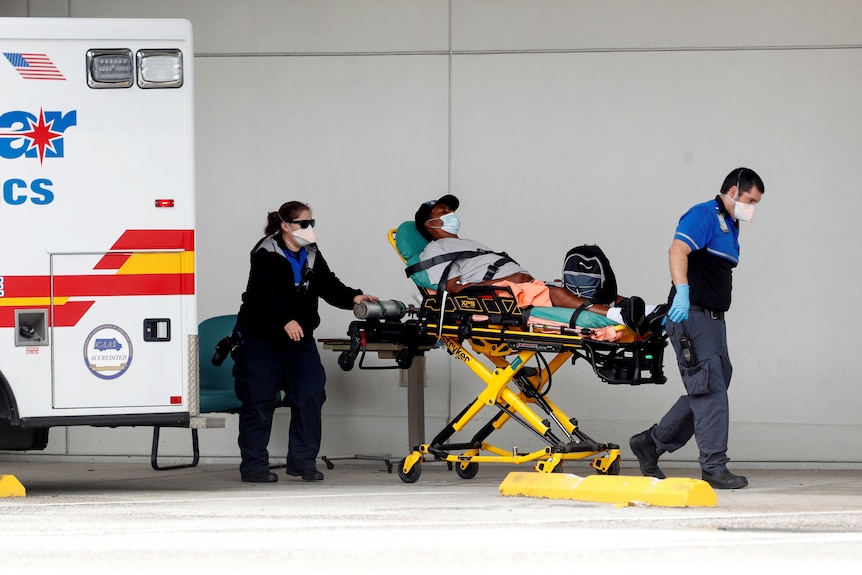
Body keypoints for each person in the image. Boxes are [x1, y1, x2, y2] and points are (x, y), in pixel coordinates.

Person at [629, 167, 765, 490]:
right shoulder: (704, 215)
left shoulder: (730, 226)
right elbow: (677, 250)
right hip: (691, 315)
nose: (752, 208)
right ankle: (714, 467)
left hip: (714, 320)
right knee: (709, 389)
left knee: (710, 387)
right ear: (733, 191)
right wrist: (683, 290)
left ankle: (651, 442)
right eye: (750, 200)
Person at [232, 201, 378, 483]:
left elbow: (327, 283)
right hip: (263, 340)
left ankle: (302, 461)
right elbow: (264, 294)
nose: (309, 228)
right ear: (285, 226)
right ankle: (254, 467)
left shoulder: (311, 252)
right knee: (258, 402)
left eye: (312, 222)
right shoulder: (266, 252)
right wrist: (285, 319)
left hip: (299, 341)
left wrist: (353, 298)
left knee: (311, 394)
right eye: (304, 223)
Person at [413, 195, 664, 334]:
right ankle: (616, 315)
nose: (450, 215)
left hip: (516, 288)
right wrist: (505, 282)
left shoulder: (467, 242)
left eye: (450, 211)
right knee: (555, 293)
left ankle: (650, 311)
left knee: (578, 289)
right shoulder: (434, 250)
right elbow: (453, 288)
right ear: (429, 224)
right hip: (498, 296)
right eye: (443, 212)